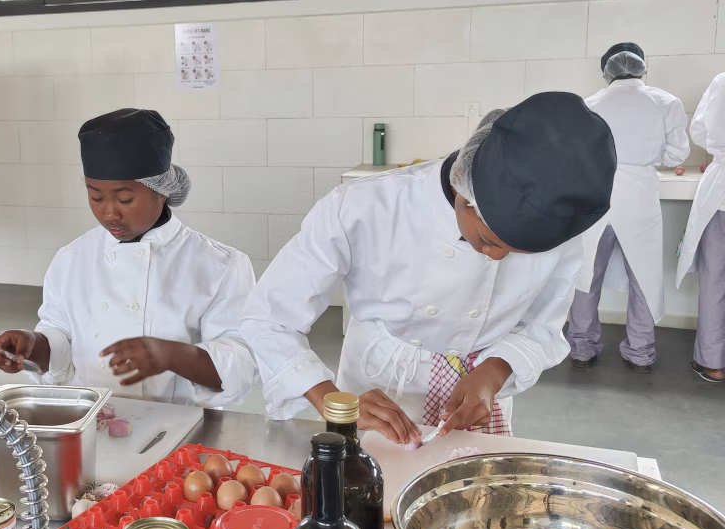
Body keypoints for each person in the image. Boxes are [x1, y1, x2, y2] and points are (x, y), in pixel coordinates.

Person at [240, 92, 616, 444]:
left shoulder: (559, 229)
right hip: (375, 393)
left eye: (519, 253)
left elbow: (542, 327)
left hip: (479, 403)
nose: (498, 258)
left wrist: (493, 372)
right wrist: (332, 402)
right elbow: (270, 318)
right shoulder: (365, 207)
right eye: (487, 242)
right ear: (464, 191)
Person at [0, 109, 258, 406]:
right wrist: (33, 346)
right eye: (96, 196)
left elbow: (242, 366)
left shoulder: (220, 266)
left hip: (181, 433)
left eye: (125, 199)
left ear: (162, 191)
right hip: (91, 421)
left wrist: (171, 355)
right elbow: (60, 337)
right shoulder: (72, 259)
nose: (109, 213)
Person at [568, 43, 690, 373]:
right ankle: (641, 352)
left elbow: (575, 154)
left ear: (605, 71)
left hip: (597, 194)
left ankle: (581, 347)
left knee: (587, 273)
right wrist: (651, 158)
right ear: (643, 67)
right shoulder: (666, 102)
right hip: (639, 196)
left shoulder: (588, 104)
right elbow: (678, 155)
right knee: (643, 275)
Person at [676, 73, 725, 383]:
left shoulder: (723, 82)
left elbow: (701, 130)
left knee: (715, 279)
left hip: (721, 193)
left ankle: (713, 362)